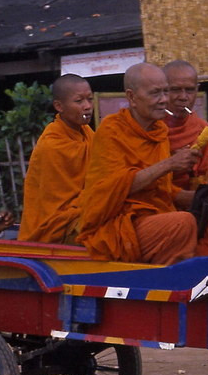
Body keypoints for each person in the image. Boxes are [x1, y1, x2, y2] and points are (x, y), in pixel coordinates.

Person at [76, 63, 200, 264]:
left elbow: (161, 190)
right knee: (182, 223)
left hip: (155, 214)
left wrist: (201, 197)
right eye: (155, 93)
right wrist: (169, 164)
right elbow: (116, 187)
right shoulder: (112, 130)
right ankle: (165, 281)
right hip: (119, 222)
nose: (164, 100)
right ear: (132, 97)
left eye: (166, 92)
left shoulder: (159, 131)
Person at [18, 74, 95, 244]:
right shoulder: (52, 144)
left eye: (90, 99)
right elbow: (57, 202)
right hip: (58, 224)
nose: (88, 106)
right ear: (59, 106)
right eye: (79, 101)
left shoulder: (88, 134)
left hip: (85, 209)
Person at [162, 60, 208, 192]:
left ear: (197, 89)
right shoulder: (150, 126)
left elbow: (203, 175)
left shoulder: (202, 128)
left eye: (190, 90)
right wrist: (170, 163)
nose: (183, 97)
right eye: (175, 90)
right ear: (162, 90)